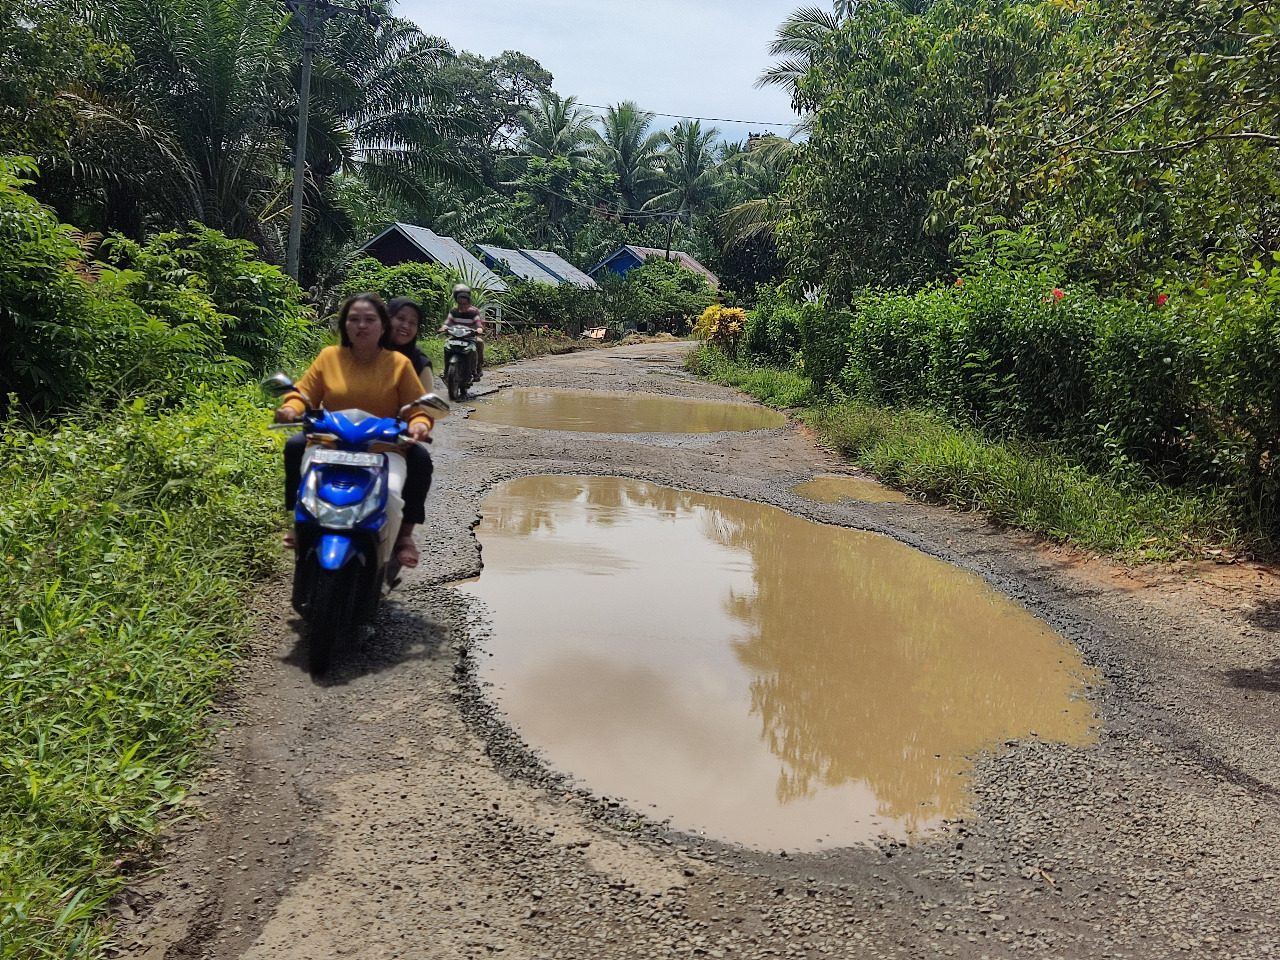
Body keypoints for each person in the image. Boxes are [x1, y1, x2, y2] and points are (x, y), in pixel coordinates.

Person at [275, 293, 434, 568]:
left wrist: (419, 424)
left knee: (393, 495)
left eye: (370, 320)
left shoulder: (400, 365)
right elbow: (304, 392)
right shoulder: (328, 357)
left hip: (383, 447)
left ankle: (393, 548)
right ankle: (300, 525)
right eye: (354, 319)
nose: (361, 326)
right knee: (303, 472)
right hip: (330, 442)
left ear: (382, 327)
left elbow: (417, 409)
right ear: (344, 326)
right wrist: (291, 407)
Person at [387, 296, 434, 394]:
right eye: (401, 318)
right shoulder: (371, 351)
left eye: (413, 322)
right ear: (387, 318)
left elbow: (425, 406)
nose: (405, 326)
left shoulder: (420, 363)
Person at [441, 283, 484, 380]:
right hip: (455, 336)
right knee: (446, 345)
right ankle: (446, 369)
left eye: (465, 304)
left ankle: (476, 369)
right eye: (460, 304)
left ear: (469, 303)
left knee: (479, 343)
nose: (462, 306)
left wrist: (479, 329)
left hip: (470, 336)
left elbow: (478, 323)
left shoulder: (473, 312)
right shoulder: (454, 312)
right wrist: (443, 328)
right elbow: (448, 322)